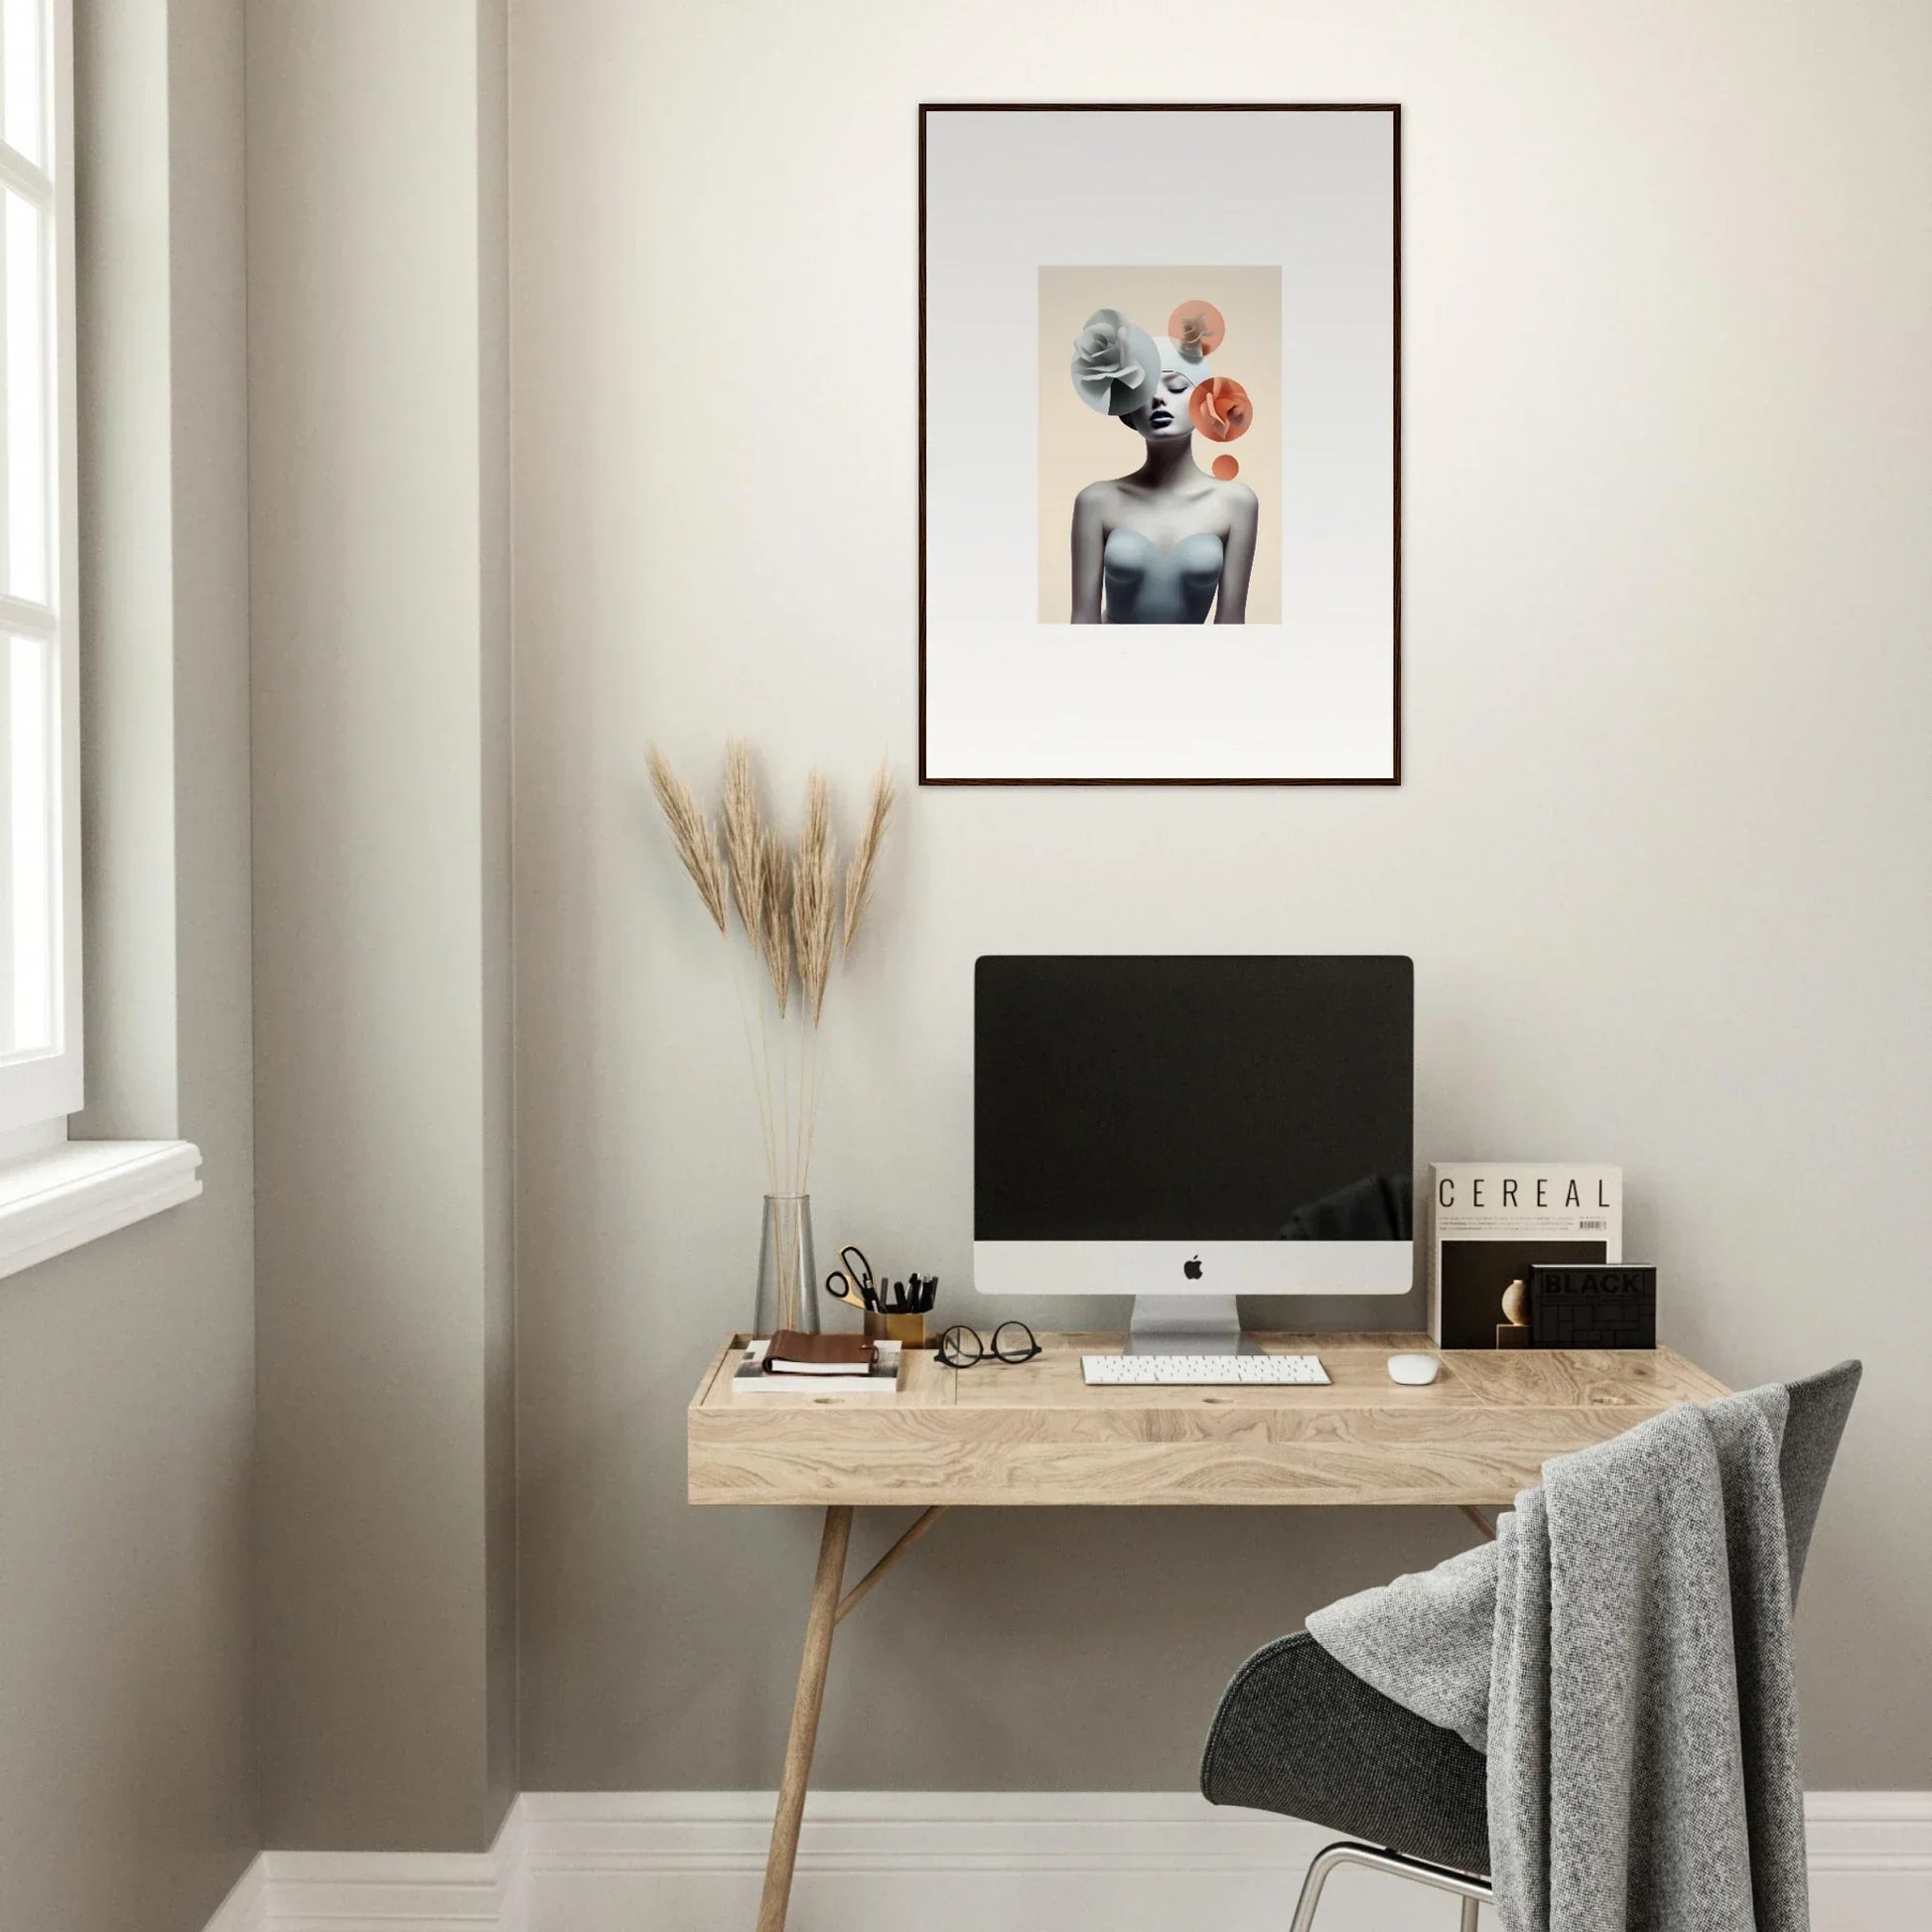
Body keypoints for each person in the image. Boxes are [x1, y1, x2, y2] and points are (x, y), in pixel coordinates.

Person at [1068, 324, 1258, 624]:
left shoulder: (1236, 503)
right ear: (1128, 410)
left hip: (1195, 666)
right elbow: (1082, 621)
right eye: (1143, 393)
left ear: (1205, 404)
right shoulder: (1096, 501)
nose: (1158, 400)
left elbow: (1232, 624)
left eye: (1177, 387)